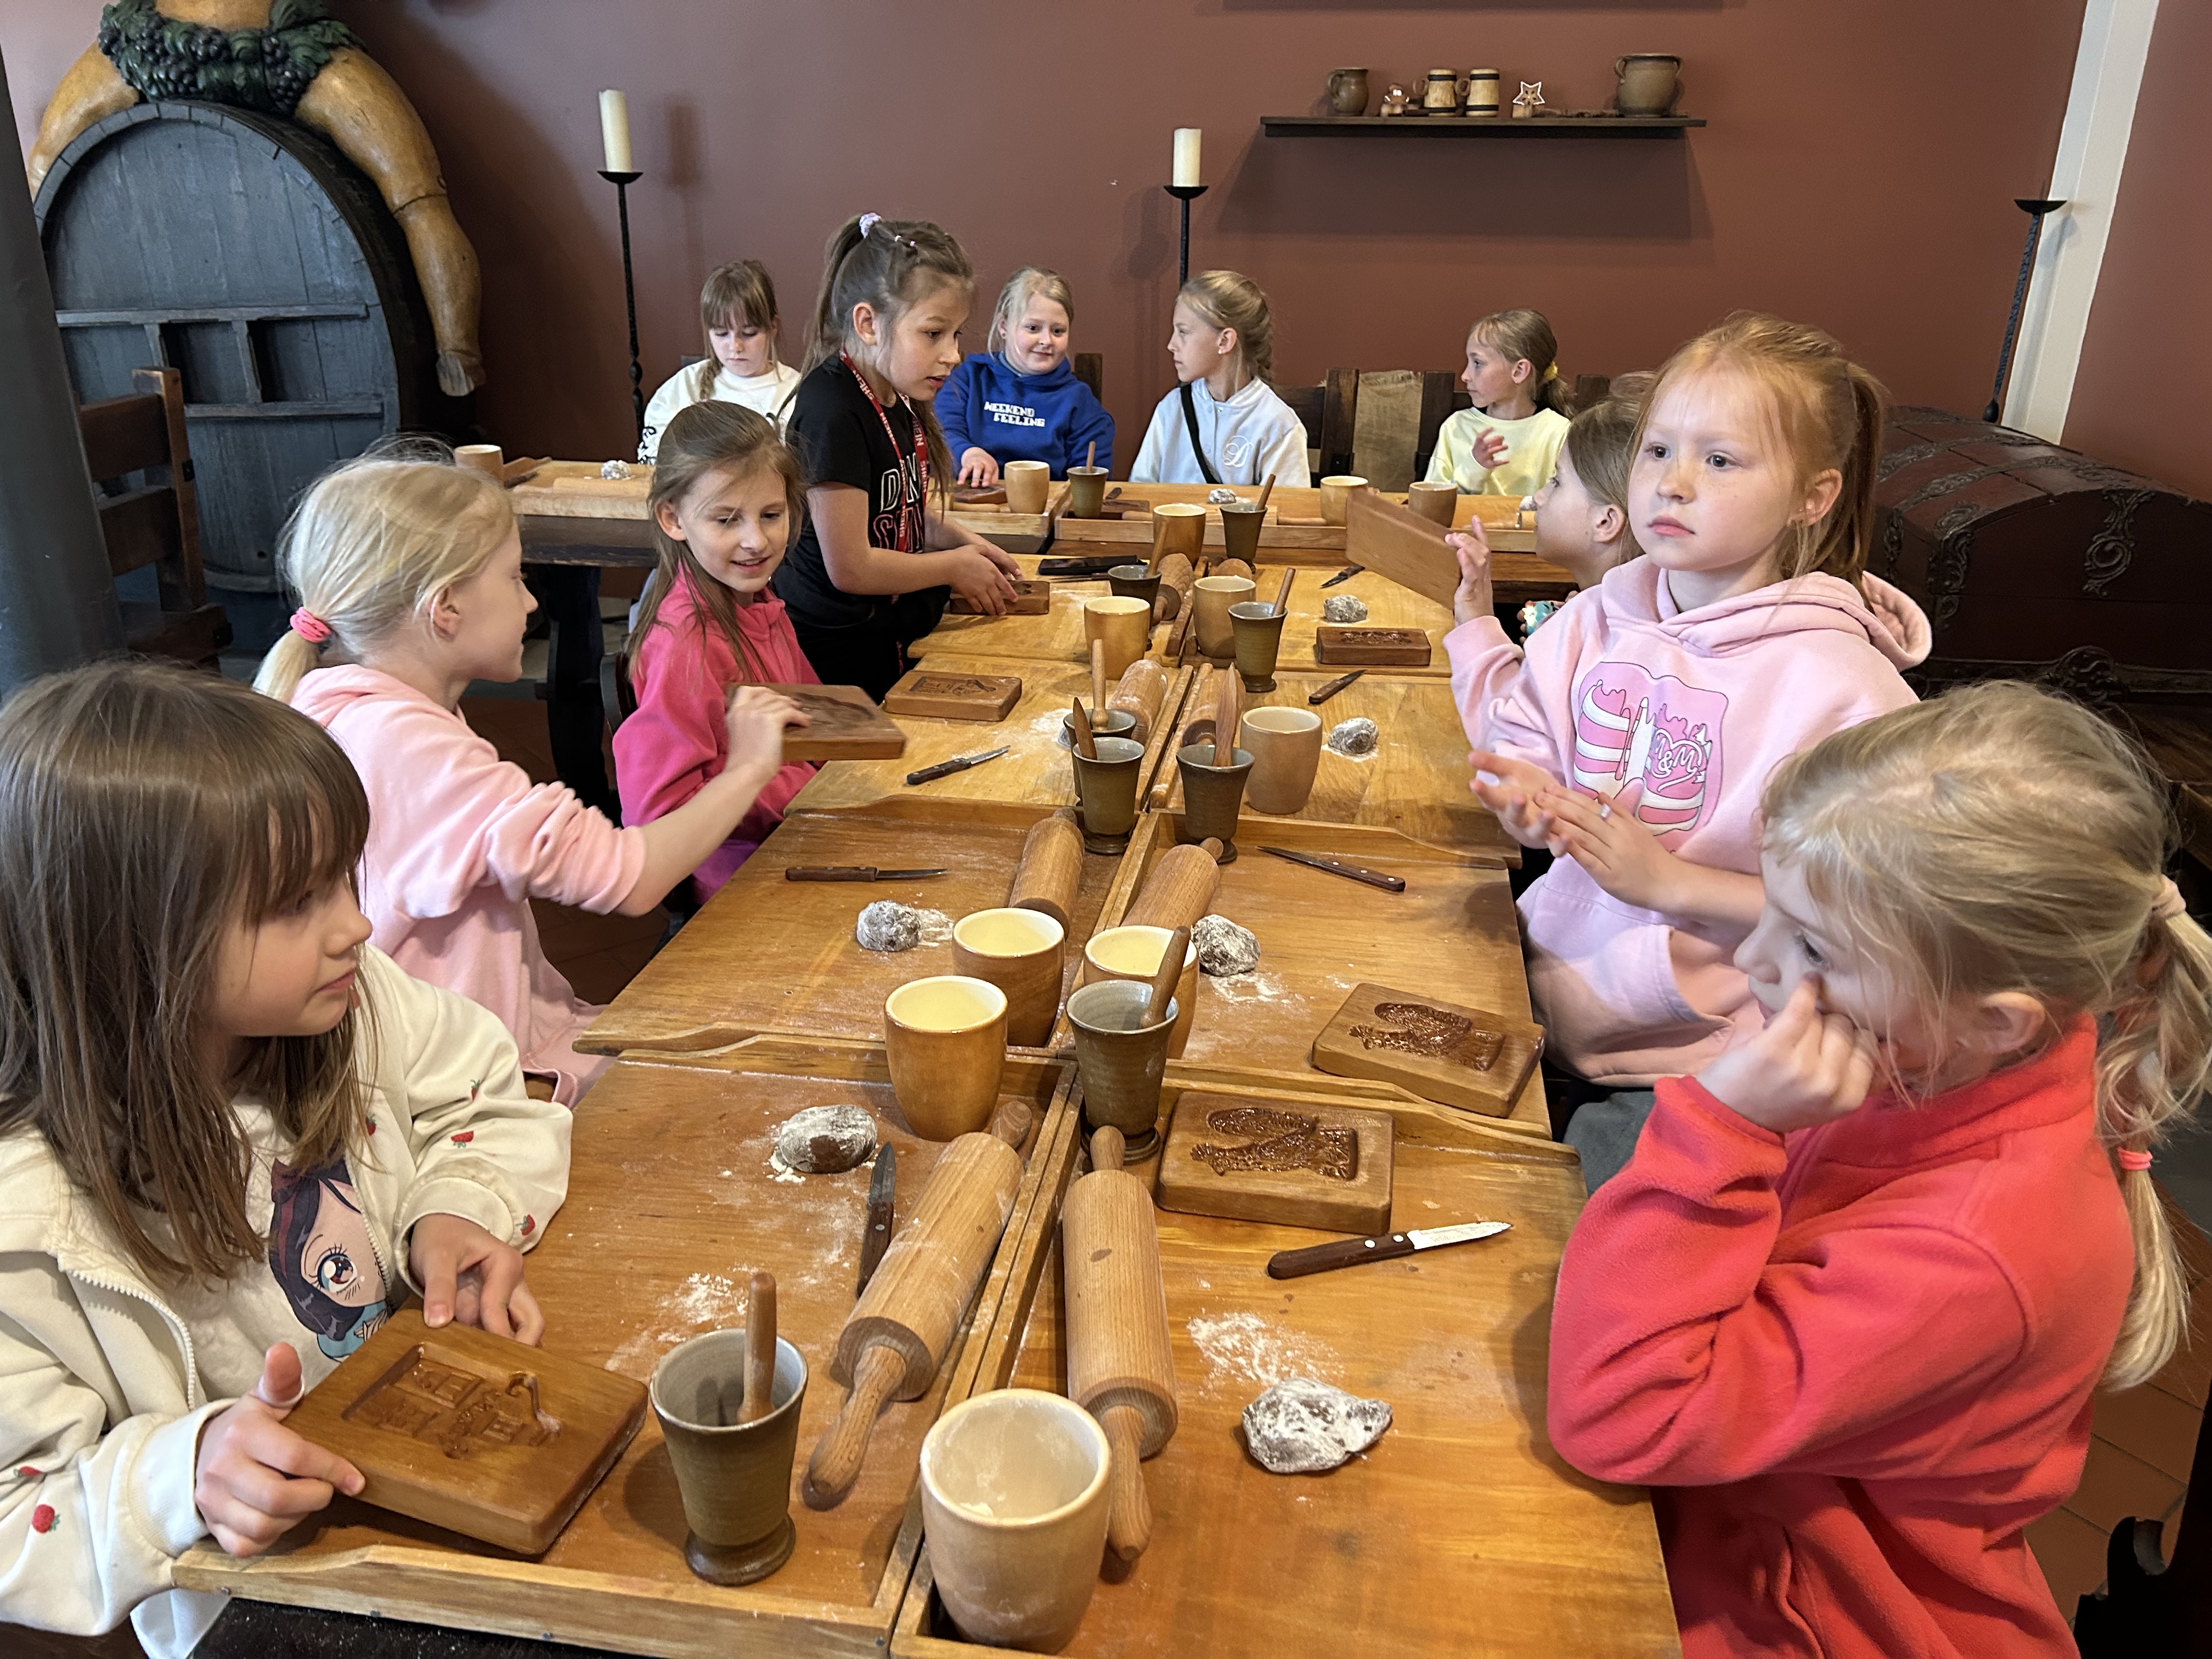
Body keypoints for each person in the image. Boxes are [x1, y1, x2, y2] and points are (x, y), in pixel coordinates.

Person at [1549, 681, 2210, 1659]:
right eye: (1773, 909)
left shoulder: (1975, 1250)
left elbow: (1619, 1417)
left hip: (1804, 1611)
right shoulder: (1937, 1051)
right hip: (1737, 1508)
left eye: (1814, 944)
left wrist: (1723, 1129)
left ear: (1997, 1019)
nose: (1759, 961)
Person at [0, 663, 571, 1657]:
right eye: (296, 902)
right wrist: (184, 1470)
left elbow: (487, 1088)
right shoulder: (28, 1223)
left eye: (344, 878)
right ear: (132, 939)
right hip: (273, 1600)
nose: (356, 924)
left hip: (438, 1488)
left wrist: (457, 1204)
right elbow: (19, 1516)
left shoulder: (356, 999)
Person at [1459, 313, 1924, 1150]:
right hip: (1541, 994)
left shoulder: (1847, 692)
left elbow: (1876, 921)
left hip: (1707, 1065)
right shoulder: (1591, 621)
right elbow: (1527, 750)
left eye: (1719, 461)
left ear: (1812, 497)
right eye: (1658, 451)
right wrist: (1523, 798)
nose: (1673, 484)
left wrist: (1672, 885)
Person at [259, 451, 803, 1103]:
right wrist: (748, 768)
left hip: (461, 1048)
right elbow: (627, 879)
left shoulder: (343, 701)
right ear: (445, 607)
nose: (530, 600)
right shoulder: (409, 745)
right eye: (515, 577)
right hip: (460, 1084)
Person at [772, 213, 1024, 699]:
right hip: (832, 655)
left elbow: (900, 513)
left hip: (885, 629)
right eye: (933, 334)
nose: (953, 355)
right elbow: (852, 567)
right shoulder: (832, 411)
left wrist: (969, 544)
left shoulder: (896, 392)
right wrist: (952, 567)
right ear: (868, 324)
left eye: (957, 335)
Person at [616, 401, 822, 904]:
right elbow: (656, 815)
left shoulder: (758, 599)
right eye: (727, 520)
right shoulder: (686, 643)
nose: (756, 540)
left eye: (771, 515)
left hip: (794, 834)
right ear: (673, 518)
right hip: (740, 879)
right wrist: (802, 792)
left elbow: (809, 712)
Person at [1128, 270, 1310, 488]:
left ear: (1224, 341)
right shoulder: (1171, 409)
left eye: (1183, 332)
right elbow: (1140, 490)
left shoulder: (1278, 424)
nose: (1171, 345)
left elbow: (1287, 505)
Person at [939, 267, 1114, 485]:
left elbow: (1091, 477)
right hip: (972, 496)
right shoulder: (967, 379)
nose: (1046, 341)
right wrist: (968, 453)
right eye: (1033, 328)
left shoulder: (1080, 401)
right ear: (1004, 327)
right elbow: (942, 431)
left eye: (1058, 331)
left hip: (1047, 501)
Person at [639, 257, 803, 461]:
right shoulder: (682, 389)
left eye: (749, 334)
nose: (735, 347)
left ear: (773, 327)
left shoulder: (797, 393)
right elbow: (655, 463)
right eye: (722, 334)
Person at [1425, 307, 1572, 499]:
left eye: (1477, 363)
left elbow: (1567, 502)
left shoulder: (1558, 432)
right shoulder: (1455, 427)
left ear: (1519, 371)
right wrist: (1473, 469)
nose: (1465, 376)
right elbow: (1430, 502)